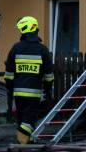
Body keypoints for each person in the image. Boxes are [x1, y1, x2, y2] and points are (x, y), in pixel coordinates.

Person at [4, 16, 54, 144]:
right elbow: (49, 75)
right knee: (29, 120)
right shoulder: (42, 50)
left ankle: (27, 143)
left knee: (22, 119)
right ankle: (22, 142)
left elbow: (9, 73)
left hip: (18, 94)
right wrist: (48, 89)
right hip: (34, 94)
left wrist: (10, 89)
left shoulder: (16, 48)